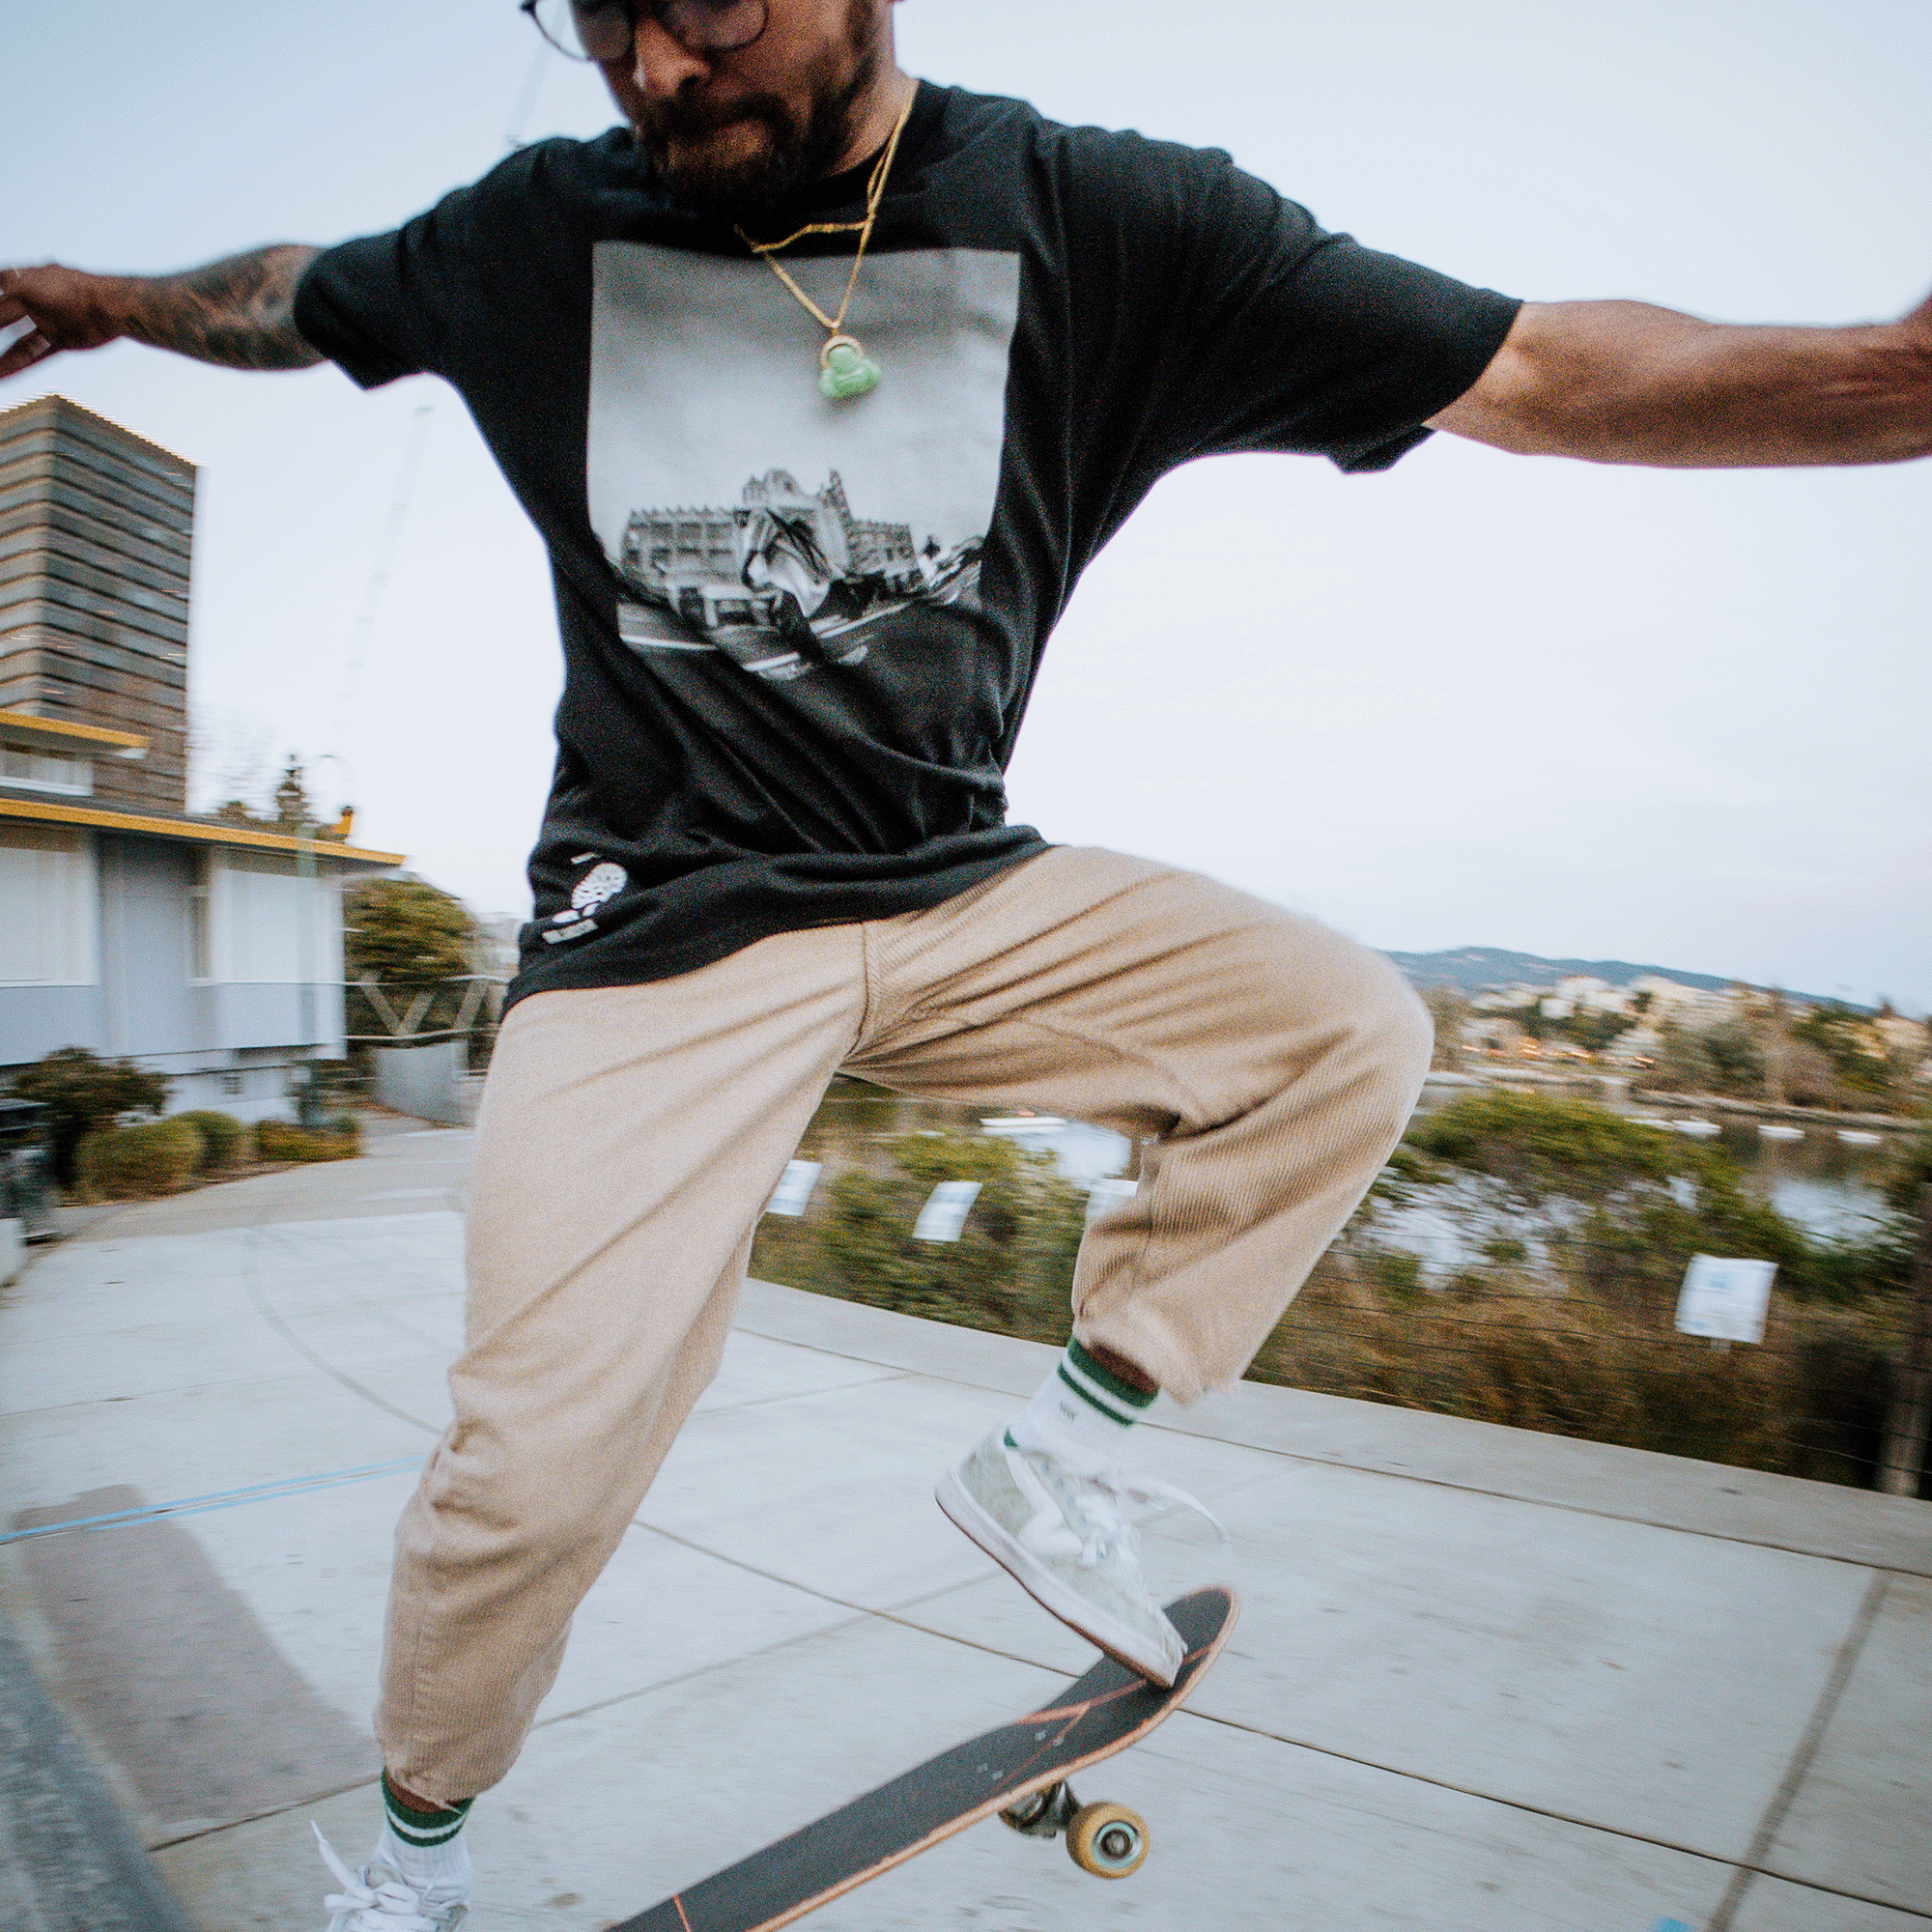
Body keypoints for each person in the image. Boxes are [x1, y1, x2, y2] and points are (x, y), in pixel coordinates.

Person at [5, 2, 1925, 1924]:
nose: (659, 70)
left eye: (709, 8)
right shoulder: (538, 233)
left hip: (950, 893)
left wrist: (1876, 377)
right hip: (654, 935)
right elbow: (285, 294)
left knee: (1340, 1023)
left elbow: (1527, 363)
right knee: (535, 1460)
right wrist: (110, 294)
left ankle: (1062, 1449)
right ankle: (415, 1860)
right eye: (601, 23)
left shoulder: (1102, 222)